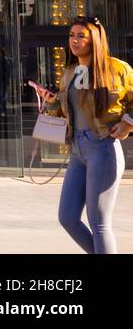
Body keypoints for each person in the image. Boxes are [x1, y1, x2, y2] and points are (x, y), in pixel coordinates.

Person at [38, 16, 133, 254]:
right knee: (67, 217)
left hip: (103, 147)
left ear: (95, 39)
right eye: (71, 35)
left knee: (99, 223)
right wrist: (51, 102)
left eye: (81, 35)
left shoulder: (116, 69)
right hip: (77, 150)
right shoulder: (72, 72)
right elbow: (65, 112)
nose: (74, 40)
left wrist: (128, 123)